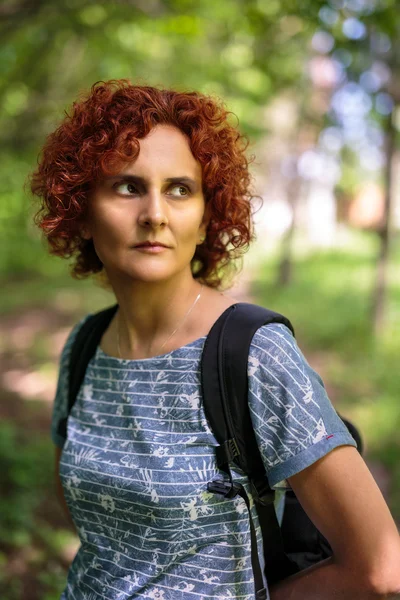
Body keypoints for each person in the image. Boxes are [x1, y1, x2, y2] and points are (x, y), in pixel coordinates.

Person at [29, 79, 400, 600]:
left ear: (206, 218)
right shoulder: (84, 347)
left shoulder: (254, 353)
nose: (155, 213)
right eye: (128, 186)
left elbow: (382, 569)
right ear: (83, 212)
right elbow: (86, 518)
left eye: (180, 189)